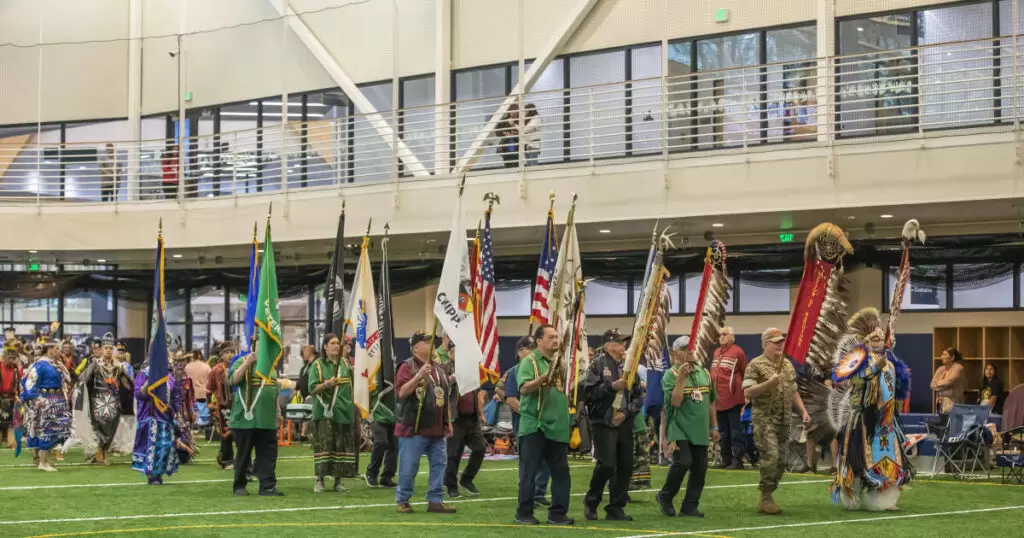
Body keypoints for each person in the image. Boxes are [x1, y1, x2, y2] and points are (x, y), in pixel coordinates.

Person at [831, 308, 912, 511]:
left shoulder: (891, 364)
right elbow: (856, 382)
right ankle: (852, 496)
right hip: (862, 418)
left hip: (886, 420)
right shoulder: (858, 361)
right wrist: (875, 368)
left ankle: (883, 500)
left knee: (887, 457)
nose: (879, 342)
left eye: (881, 339)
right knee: (857, 458)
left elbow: (899, 391)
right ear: (866, 342)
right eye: (874, 339)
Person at [742, 328, 811, 515]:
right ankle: (765, 497)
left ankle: (769, 493)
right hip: (764, 419)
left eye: (782, 342)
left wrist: (803, 411)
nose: (781, 345)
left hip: (784, 418)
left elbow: (794, 391)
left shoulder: (787, 365)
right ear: (765, 345)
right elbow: (748, 392)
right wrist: (768, 384)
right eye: (776, 342)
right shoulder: (755, 365)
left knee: (781, 461)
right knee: (771, 457)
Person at [514, 324, 574, 526]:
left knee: (561, 473)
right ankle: (524, 513)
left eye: (557, 336)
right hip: (535, 425)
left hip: (557, 426)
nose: (556, 340)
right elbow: (523, 389)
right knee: (529, 472)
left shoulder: (560, 362)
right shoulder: (529, 362)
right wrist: (543, 378)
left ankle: (557, 514)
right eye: (551, 337)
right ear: (539, 341)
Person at [582, 328, 642, 522]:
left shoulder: (629, 367)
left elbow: (638, 397)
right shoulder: (596, 365)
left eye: (624, 342)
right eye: (619, 342)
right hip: (603, 421)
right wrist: (610, 388)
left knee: (625, 466)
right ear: (608, 345)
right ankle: (591, 502)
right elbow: (589, 393)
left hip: (623, 422)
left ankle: (616, 507)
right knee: (607, 465)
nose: (623, 345)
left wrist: (626, 413)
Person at [394, 330, 455, 514]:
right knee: (409, 465)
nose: (431, 344)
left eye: (431, 341)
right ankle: (403, 500)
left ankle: (435, 500)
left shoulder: (438, 368)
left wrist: (449, 421)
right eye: (426, 341)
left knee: (439, 464)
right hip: (414, 426)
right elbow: (402, 393)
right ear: (415, 347)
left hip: (437, 426)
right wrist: (419, 375)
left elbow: (443, 396)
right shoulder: (407, 366)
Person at [656, 335, 718, 518]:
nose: (690, 352)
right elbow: (675, 402)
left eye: (692, 348)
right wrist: (681, 378)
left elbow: (711, 402)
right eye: (685, 349)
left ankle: (690, 505)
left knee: (700, 467)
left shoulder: (704, 373)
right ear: (676, 352)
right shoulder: (670, 375)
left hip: (700, 427)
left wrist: (714, 427)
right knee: (683, 462)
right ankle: (665, 496)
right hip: (678, 426)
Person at [500, 336, 551, 506]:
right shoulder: (515, 371)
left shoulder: (546, 367)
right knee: (529, 462)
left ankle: (540, 493)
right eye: (529, 348)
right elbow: (510, 398)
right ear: (520, 352)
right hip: (525, 423)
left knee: (546, 459)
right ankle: (528, 495)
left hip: (546, 421)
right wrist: (530, 413)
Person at [230, 339, 284, 497]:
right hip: (245, 420)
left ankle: (267, 486)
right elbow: (233, 380)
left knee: (268, 454)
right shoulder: (241, 361)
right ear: (254, 346)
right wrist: (247, 363)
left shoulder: (270, 367)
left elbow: (274, 390)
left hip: (266, 420)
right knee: (243, 455)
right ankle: (239, 485)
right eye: (264, 345)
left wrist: (278, 412)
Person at [307, 334, 356, 493]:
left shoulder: (345, 364)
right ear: (325, 347)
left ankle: (338, 481)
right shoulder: (318, 365)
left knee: (340, 447)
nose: (336, 346)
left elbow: (352, 386)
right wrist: (327, 384)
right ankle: (319, 480)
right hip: (324, 413)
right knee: (324, 447)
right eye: (332, 343)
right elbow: (312, 389)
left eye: (338, 343)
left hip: (343, 411)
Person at [19, 338, 72, 471]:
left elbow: (67, 380)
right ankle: (42, 462)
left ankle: (45, 460)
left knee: (58, 430)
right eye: (57, 348)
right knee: (47, 431)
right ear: (50, 349)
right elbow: (29, 382)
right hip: (46, 401)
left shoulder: (57, 364)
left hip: (57, 400)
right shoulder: (41, 364)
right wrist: (36, 398)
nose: (59, 351)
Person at [79, 333, 132, 464]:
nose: (108, 350)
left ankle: (102, 451)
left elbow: (127, 381)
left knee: (112, 427)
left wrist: (137, 388)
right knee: (99, 426)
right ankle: (99, 453)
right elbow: (84, 378)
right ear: (102, 349)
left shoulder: (118, 365)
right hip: (98, 400)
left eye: (110, 348)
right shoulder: (96, 363)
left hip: (114, 400)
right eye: (106, 348)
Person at [444, 343, 487, 498]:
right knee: (453, 454)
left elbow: (477, 392)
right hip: (455, 418)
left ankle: (467, 479)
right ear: (450, 354)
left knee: (480, 448)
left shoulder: (470, 369)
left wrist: (481, 413)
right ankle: (451, 485)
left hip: (472, 417)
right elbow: (442, 391)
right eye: (456, 352)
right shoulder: (445, 368)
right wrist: (452, 378)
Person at [132, 358, 179, 485]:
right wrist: (150, 381)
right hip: (149, 416)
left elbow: (175, 397)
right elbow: (139, 394)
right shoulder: (143, 375)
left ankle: (159, 473)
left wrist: (178, 415)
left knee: (164, 446)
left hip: (166, 417)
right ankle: (152, 475)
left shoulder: (169, 377)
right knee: (150, 446)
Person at [711, 326, 748, 470]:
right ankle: (726, 459)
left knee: (735, 431)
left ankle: (738, 460)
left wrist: (745, 391)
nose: (721, 337)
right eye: (719, 335)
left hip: (733, 398)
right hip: (719, 398)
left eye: (724, 334)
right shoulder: (716, 352)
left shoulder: (738, 352)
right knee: (723, 432)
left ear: (732, 337)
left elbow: (745, 372)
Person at [365, 349, 398, 489]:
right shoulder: (372, 372)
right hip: (376, 413)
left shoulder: (393, 373)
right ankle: (371, 473)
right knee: (381, 441)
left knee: (394, 446)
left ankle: (387, 476)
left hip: (392, 414)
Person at [207, 341, 235, 470]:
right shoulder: (216, 370)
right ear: (221, 355)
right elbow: (209, 389)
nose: (230, 355)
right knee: (226, 433)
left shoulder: (238, 367)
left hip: (238, 405)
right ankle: (227, 460)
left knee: (240, 433)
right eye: (227, 353)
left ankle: (239, 459)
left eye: (232, 352)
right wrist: (210, 404)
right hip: (223, 406)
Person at [172, 353, 198, 463]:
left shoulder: (187, 380)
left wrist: (193, 410)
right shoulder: (169, 380)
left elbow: (191, 397)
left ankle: (184, 452)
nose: (179, 368)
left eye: (182, 365)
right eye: (177, 365)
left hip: (183, 412)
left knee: (184, 431)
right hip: (171, 412)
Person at [1, 342, 24, 449]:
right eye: (10, 358)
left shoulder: (15, 368)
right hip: (1, 397)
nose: (12, 360)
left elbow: (19, 381)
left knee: (11, 421)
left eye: (14, 358)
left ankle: (11, 442)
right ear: (4, 357)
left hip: (11, 398)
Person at [931, 347, 965, 412]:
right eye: (942, 355)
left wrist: (939, 383)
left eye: (945, 354)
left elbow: (949, 382)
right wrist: (945, 386)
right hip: (940, 403)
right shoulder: (940, 369)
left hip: (954, 404)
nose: (942, 357)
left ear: (952, 357)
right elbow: (932, 385)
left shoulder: (958, 368)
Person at [496, 103, 520, 168]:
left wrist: (515, 133)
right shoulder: (504, 120)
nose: (513, 115)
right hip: (506, 147)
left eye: (515, 113)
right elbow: (497, 132)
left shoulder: (521, 120)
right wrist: (504, 133)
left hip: (517, 147)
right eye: (512, 113)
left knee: (517, 166)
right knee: (507, 166)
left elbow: (524, 131)